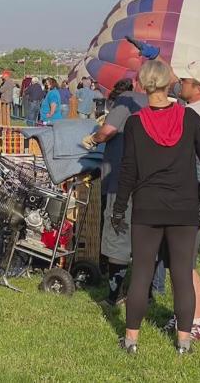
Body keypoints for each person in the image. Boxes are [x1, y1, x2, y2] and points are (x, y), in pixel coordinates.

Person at [111, 59, 200, 355]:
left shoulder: (134, 122)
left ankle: (131, 340)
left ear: (143, 86)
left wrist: (119, 208)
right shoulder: (190, 118)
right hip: (184, 207)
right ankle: (184, 342)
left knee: (142, 273)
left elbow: (127, 169)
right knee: (182, 274)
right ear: (170, 83)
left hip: (147, 207)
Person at [153, 60, 200, 340]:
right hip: (193, 191)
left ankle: (196, 320)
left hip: (186, 192)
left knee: (185, 263)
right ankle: (184, 313)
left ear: (199, 87)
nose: (180, 83)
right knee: (180, 260)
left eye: (185, 81)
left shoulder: (193, 112)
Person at [83, 79, 137, 306]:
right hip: (146, 185)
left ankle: (116, 294)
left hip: (118, 185)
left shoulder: (124, 104)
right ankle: (151, 291)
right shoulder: (151, 105)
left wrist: (93, 138)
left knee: (117, 241)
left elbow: (107, 131)